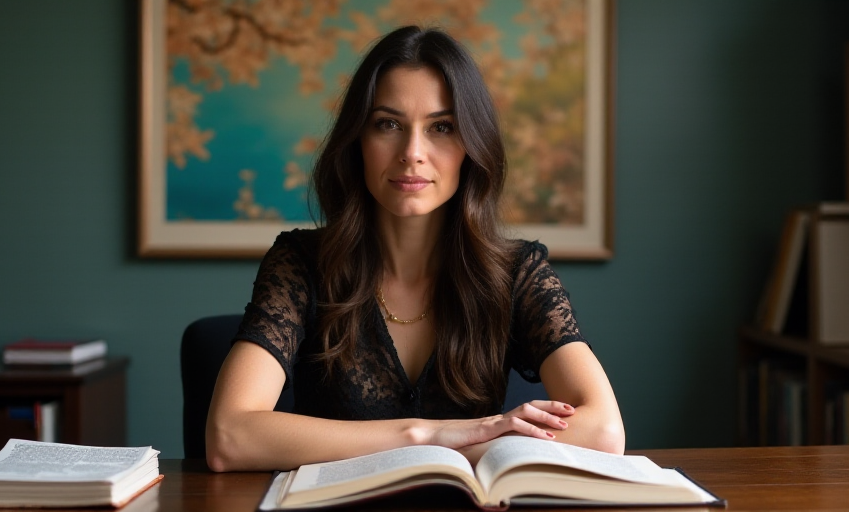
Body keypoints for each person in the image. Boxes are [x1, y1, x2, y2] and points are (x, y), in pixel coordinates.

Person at [205, 25, 624, 472]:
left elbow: (602, 431)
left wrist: (440, 449)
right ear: (357, 141)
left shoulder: (519, 271)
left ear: (471, 146)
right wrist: (426, 435)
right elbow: (229, 436)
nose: (413, 152)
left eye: (442, 127)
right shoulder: (300, 263)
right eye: (388, 124)